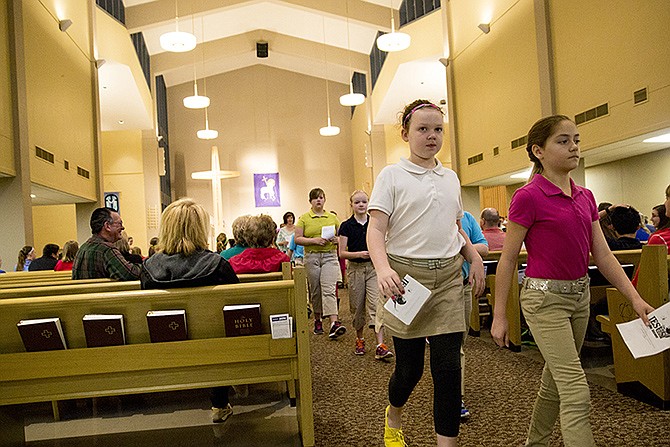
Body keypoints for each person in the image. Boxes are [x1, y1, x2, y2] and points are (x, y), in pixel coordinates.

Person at [491, 115, 653, 447]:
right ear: (538, 150)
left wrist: (633, 297)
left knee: (555, 381)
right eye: (563, 141)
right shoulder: (528, 196)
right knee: (576, 390)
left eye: (575, 139)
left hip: (579, 299)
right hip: (543, 301)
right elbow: (508, 259)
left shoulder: (586, 196)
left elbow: (603, 255)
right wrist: (499, 315)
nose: (574, 147)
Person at [367, 99, 485, 447]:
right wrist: (384, 268)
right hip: (406, 280)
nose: (431, 136)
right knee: (410, 370)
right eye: (422, 129)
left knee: (448, 370)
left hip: (449, 278)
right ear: (405, 133)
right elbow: (376, 231)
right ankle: (394, 413)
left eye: (438, 129)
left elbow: (454, 227)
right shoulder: (391, 175)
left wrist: (472, 256)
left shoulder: (450, 177)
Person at [141, 198, 239, 423]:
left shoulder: (148, 268)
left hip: (166, 344)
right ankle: (219, 403)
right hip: (215, 347)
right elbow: (238, 303)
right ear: (200, 229)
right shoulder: (217, 264)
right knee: (216, 333)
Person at [338, 190, 393, 360]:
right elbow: (341, 253)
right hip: (355, 269)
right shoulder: (346, 226)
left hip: (372, 268)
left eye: (364, 202)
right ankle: (359, 339)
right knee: (357, 307)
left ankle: (380, 344)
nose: (361, 205)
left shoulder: (374, 224)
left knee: (377, 304)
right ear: (352, 205)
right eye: (357, 202)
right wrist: (358, 254)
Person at [295, 188, 346, 339]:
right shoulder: (304, 218)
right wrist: (314, 240)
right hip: (312, 256)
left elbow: (341, 237)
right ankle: (317, 319)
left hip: (329, 256)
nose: (318, 200)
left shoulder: (332, 217)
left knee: (329, 288)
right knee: (315, 290)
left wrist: (336, 240)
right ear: (310, 201)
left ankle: (333, 322)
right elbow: (298, 238)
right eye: (315, 198)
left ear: (325, 200)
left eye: (321, 198)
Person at [459, 211, 489, 418]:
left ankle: (455, 396)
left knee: (458, 344)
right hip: (432, 286)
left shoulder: (467, 218)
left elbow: (484, 247)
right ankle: (453, 394)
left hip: (461, 286)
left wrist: (461, 249)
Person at [72, 208, 141, 280]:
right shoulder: (107, 250)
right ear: (107, 226)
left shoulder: (83, 248)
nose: (123, 228)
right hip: (99, 291)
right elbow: (130, 274)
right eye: (120, 224)